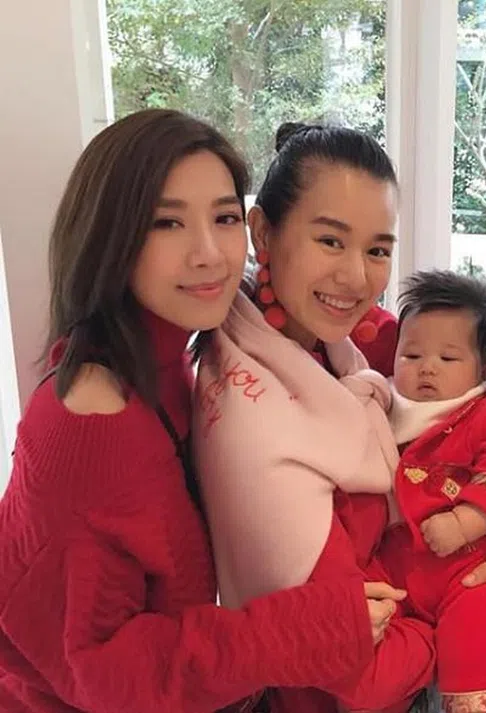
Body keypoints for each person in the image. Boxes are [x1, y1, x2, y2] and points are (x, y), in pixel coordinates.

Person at [0, 109, 403, 713]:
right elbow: (103, 673)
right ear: (110, 235)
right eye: (167, 222)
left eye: (223, 218)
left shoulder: (183, 351)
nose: (210, 254)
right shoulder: (93, 416)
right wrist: (299, 630)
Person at [193, 123, 486, 713]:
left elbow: (482, 402)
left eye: (378, 250)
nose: (357, 278)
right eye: (330, 241)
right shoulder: (259, 432)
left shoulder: (330, 332)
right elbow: (360, 670)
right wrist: (453, 631)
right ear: (263, 232)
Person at [341, 269, 486, 713]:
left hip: (469, 565)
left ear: (484, 369)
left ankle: (468, 700)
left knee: (480, 620)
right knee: (359, 643)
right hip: (398, 565)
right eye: (411, 355)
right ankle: (394, 678)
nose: (427, 367)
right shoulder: (386, 401)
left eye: (448, 358)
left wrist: (466, 520)